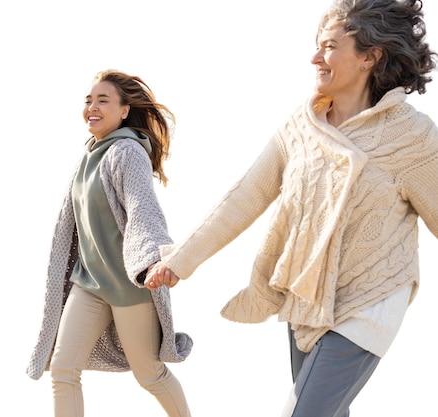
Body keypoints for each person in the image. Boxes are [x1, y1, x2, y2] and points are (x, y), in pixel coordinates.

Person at [145, 0, 438, 416]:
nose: (316, 57)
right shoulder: (301, 127)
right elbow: (246, 195)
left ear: (369, 58)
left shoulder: (412, 136)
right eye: (318, 46)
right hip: (306, 296)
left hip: (370, 301)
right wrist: (181, 260)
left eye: (330, 47)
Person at [26, 69, 192, 417]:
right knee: (63, 369)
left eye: (103, 100)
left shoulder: (127, 152)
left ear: (124, 111)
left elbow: (143, 209)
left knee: (150, 373)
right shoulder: (89, 156)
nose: (93, 107)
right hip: (89, 284)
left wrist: (155, 259)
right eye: (89, 101)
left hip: (128, 286)